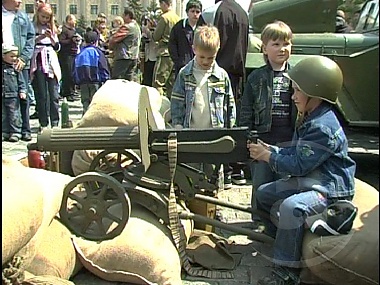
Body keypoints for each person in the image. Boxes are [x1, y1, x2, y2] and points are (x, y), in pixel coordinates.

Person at [247, 56, 356, 285]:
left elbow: (298, 165)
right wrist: (273, 149)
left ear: (315, 94)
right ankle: (282, 241)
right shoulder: (309, 116)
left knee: (291, 207)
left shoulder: (322, 127)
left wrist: (268, 157)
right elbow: (297, 153)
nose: (293, 96)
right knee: (264, 194)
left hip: (329, 190)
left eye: (297, 91)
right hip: (313, 179)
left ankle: (286, 271)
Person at [239, 21, 297, 221]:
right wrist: (247, 137)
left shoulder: (296, 76)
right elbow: (246, 109)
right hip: (262, 138)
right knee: (261, 182)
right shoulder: (256, 77)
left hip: (288, 140)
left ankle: (280, 222)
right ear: (264, 48)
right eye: (276, 44)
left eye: (286, 44)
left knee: (284, 183)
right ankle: (258, 220)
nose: (282, 49)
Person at [171, 25, 236, 184]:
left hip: (215, 136)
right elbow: (177, 102)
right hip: (191, 135)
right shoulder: (185, 74)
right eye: (202, 57)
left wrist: (231, 131)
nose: (206, 61)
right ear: (193, 49)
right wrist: (178, 126)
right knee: (190, 176)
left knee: (212, 177)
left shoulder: (222, 76)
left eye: (210, 58)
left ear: (217, 51)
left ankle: (212, 205)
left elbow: (230, 106)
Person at [201, 0, 249, 187]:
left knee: (215, 122)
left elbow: (204, 42)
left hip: (216, 74)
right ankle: (235, 169)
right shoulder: (243, 13)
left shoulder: (214, 12)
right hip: (237, 75)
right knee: (232, 120)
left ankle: (223, 169)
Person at [2, 0, 35, 142]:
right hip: (4, 61)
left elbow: (30, 37)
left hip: (20, 62)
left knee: (23, 96)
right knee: (5, 98)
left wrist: (24, 58)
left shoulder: (23, 17)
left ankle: (25, 129)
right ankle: (7, 130)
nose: (20, 1)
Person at [30, 3, 61, 131]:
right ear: (38, 15)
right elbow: (29, 43)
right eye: (43, 17)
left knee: (53, 94)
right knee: (41, 94)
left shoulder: (52, 28)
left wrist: (52, 39)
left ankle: (55, 122)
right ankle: (43, 122)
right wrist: (41, 37)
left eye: (47, 17)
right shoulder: (32, 27)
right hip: (38, 61)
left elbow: (58, 47)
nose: (45, 20)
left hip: (51, 61)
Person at [73, 31, 110, 115]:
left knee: (85, 100)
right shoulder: (98, 52)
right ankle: (94, 118)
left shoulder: (80, 53)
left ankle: (86, 115)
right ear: (96, 42)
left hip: (83, 82)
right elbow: (103, 66)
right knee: (95, 101)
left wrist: (76, 81)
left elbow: (74, 68)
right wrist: (106, 78)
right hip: (95, 80)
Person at [152, 0, 180, 97]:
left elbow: (156, 36)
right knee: (171, 84)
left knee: (158, 83)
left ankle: (158, 107)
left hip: (164, 52)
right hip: (174, 53)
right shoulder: (177, 18)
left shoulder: (164, 18)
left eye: (161, 4)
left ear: (164, 3)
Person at [168, 0, 203, 78]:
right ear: (187, 12)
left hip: (199, 67)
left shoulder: (203, 27)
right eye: (192, 11)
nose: (195, 14)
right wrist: (178, 61)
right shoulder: (178, 27)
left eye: (198, 12)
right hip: (182, 67)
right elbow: (172, 45)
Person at [108, 7, 141, 81]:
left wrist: (110, 44)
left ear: (128, 15)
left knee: (116, 80)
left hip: (123, 57)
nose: (122, 17)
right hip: (134, 57)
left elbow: (114, 39)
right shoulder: (137, 27)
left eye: (124, 15)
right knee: (128, 81)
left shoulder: (127, 27)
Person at [2, 44, 27, 142]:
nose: (14, 58)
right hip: (3, 95)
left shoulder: (15, 68)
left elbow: (21, 81)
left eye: (16, 56)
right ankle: (4, 132)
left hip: (13, 95)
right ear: (3, 55)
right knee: (3, 114)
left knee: (14, 114)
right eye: (11, 56)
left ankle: (15, 132)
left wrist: (22, 91)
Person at [58, 14, 80, 102]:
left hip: (73, 53)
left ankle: (72, 91)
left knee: (72, 74)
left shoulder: (73, 30)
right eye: (74, 20)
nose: (75, 22)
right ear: (69, 20)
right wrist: (71, 40)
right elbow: (61, 41)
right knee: (67, 74)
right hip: (66, 55)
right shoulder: (64, 30)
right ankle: (67, 93)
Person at [140, 14, 158, 86]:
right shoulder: (144, 31)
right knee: (145, 79)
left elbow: (154, 39)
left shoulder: (155, 32)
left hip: (153, 58)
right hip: (146, 58)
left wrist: (147, 31)